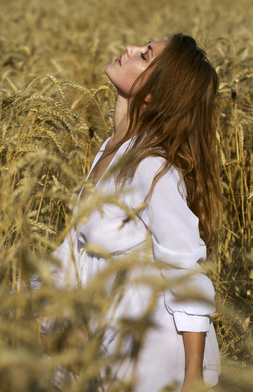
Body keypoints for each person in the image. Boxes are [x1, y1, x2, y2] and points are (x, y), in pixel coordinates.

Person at [38, 34, 222, 391]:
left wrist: (193, 378)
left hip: (152, 352)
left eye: (145, 54)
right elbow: (76, 246)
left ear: (151, 93)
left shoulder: (152, 167)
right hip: (111, 338)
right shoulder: (109, 150)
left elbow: (185, 272)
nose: (129, 48)